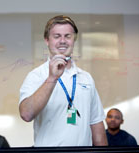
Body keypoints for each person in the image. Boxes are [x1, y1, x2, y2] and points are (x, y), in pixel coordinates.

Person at [19, 15, 108, 147]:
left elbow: (96, 122)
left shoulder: (86, 78)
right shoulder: (36, 75)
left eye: (67, 36)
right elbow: (26, 114)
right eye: (56, 36)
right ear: (47, 40)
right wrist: (52, 78)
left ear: (74, 40)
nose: (62, 41)